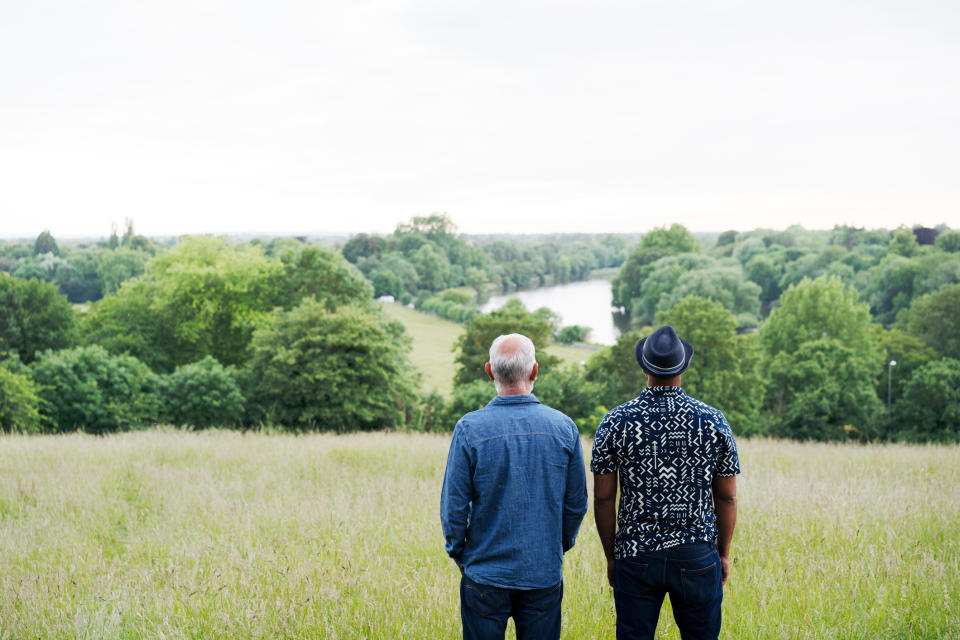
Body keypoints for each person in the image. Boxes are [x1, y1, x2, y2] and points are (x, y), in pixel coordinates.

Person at [591, 325, 740, 640]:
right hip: (697, 553)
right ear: (683, 367)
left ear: (644, 367)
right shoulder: (713, 421)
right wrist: (722, 553)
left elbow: (604, 498)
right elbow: (726, 498)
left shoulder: (615, 422)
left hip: (635, 554)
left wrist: (612, 556)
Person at [441, 333, 588, 640]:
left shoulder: (469, 429)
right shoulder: (564, 428)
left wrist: (460, 553)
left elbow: (453, 506)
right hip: (542, 573)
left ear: (489, 370)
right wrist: (555, 546)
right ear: (534, 371)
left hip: (484, 573)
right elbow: (576, 503)